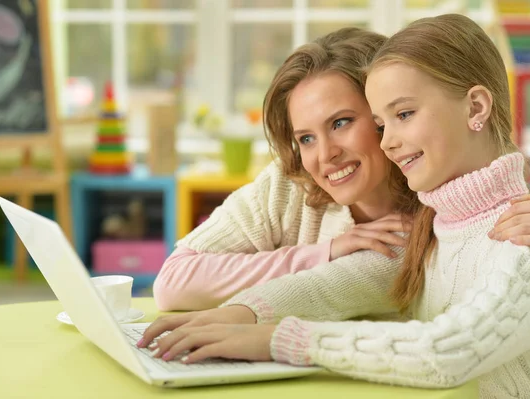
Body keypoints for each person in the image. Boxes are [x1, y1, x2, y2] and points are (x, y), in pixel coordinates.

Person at [140, 14, 530, 397]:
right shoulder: (434, 227)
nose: (388, 141)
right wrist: (238, 316)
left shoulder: (526, 235)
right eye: (382, 124)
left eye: (405, 114)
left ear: (475, 107)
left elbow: (448, 351)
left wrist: (277, 339)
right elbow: (336, 283)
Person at [153, 28, 418, 311]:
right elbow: (173, 281)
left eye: (340, 123)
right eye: (306, 138)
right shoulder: (288, 184)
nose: (326, 154)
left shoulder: (436, 191)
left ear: (384, 115)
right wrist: (324, 253)